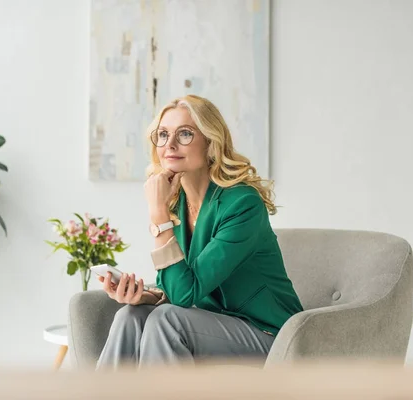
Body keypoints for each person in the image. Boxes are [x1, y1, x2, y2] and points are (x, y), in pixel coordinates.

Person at [96, 95, 303, 369]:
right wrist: (145, 296)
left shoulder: (242, 203)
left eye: (184, 134)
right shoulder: (177, 202)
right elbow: (177, 287)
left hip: (269, 336)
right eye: (163, 134)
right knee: (129, 317)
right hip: (210, 326)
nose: (169, 144)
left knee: (166, 320)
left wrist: (157, 213)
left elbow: (184, 296)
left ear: (210, 143)